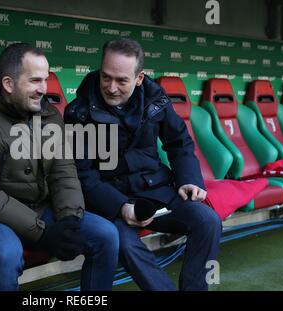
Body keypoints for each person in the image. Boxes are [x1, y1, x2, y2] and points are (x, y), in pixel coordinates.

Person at [0, 43, 119, 291]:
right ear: (8, 84)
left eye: (46, 80)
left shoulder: (48, 115)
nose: (44, 89)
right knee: (6, 251)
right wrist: (44, 233)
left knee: (105, 234)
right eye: (35, 81)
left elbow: (63, 171)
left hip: (37, 209)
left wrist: (70, 218)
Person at [64, 38, 222, 291]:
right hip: (110, 200)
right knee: (123, 243)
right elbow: (82, 175)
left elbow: (179, 142)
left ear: (139, 78)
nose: (111, 87)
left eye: (122, 80)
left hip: (156, 191)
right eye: (106, 77)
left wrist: (189, 180)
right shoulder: (79, 112)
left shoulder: (155, 99)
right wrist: (119, 207)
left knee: (208, 221)